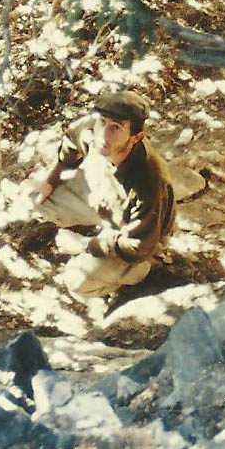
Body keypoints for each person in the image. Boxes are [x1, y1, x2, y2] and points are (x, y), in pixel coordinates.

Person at [32, 90, 176, 299]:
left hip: (138, 239)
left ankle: (141, 272)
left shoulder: (148, 181)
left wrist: (83, 244)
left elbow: (138, 245)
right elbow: (73, 140)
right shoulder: (95, 131)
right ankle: (99, 234)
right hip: (103, 203)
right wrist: (51, 181)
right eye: (102, 122)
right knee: (36, 200)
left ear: (136, 137)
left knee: (77, 281)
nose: (103, 135)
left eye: (116, 128)